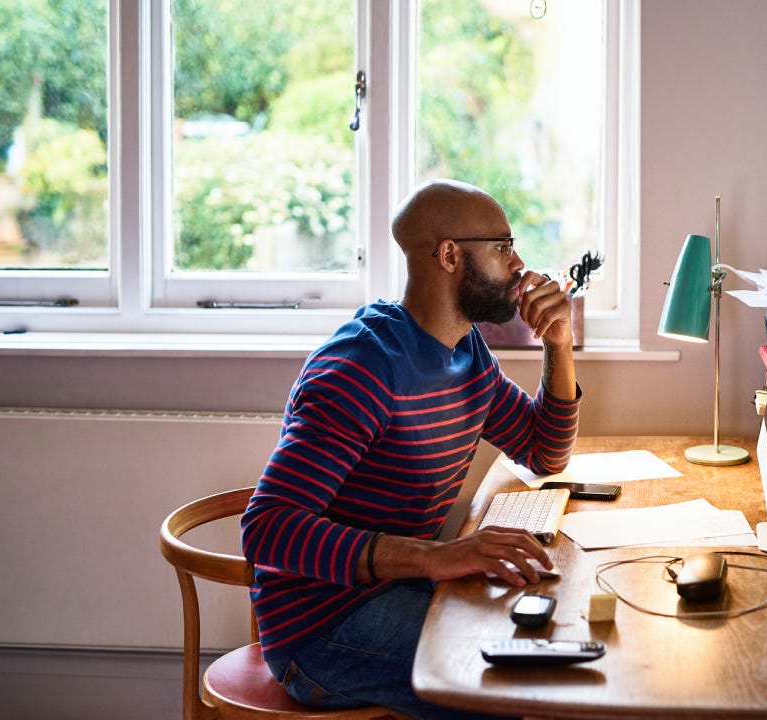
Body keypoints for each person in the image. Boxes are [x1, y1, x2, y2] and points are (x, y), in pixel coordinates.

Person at [241, 179, 581, 719]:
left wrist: (559, 343)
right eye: (502, 246)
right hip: (321, 629)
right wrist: (436, 556)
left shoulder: (464, 350)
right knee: (509, 685)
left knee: (551, 638)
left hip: (398, 589)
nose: (519, 263)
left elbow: (544, 451)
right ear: (449, 255)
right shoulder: (364, 368)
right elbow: (265, 529)